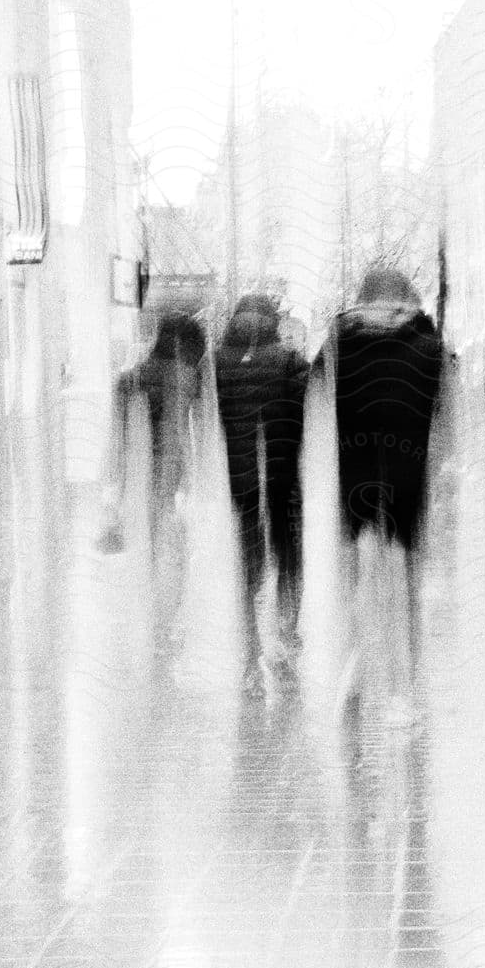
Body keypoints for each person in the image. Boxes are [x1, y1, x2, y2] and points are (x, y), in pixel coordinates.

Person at [318, 268, 447, 726]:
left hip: (353, 468)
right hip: (407, 468)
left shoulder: (339, 341)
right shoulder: (428, 341)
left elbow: (316, 401)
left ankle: (355, 661)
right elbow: (444, 406)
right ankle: (402, 685)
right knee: (404, 574)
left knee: (356, 568)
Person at [215, 294, 309, 697]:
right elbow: (305, 407)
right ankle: (286, 636)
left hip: (242, 480)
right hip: (284, 477)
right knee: (289, 556)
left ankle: (250, 661)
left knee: (248, 562)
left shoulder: (219, 361)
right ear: (272, 322)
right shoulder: (288, 360)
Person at [99, 311, 208, 599]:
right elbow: (190, 429)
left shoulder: (128, 379)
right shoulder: (188, 378)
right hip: (171, 469)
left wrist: (114, 480)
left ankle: (147, 593)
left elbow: (116, 435)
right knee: (169, 533)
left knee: (148, 532)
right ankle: (167, 600)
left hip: (137, 468)